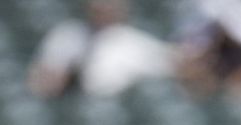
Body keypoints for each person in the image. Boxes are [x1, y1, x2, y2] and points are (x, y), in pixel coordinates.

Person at [27, 0, 178, 98]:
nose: (103, 9)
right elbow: (40, 80)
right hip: (71, 104)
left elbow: (171, 67)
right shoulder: (68, 34)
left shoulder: (134, 42)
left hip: (119, 111)